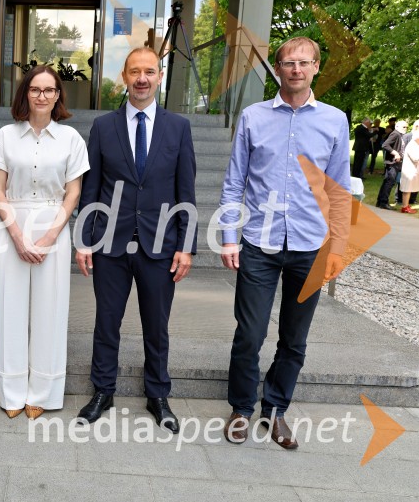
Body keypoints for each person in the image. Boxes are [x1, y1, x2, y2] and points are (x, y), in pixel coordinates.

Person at [218, 37, 351, 450]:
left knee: (294, 339)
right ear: (277, 69)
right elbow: (234, 182)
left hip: (310, 246)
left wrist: (339, 246)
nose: (296, 69)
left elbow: (340, 190)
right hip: (259, 243)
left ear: (316, 67)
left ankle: (275, 410)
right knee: (250, 333)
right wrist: (228, 237)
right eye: (288, 62)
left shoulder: (334, 120)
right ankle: (242, 409)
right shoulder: (253, 117)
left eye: (304, 62)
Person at [75, 46, 196, 432]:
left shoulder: (178, 128)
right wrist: (83, 239)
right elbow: (91, 188)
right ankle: (102, 391)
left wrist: (186, 245)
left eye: (149, 71)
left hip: (161, 244)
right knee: (106, 321)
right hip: (110, 242)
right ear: (124, 77)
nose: (142, 78)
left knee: (156, 325)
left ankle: (158, 394)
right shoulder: (103, 127)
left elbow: (186, 192)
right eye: (134, 72)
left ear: (159, 77)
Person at [0, 66, 89, 419]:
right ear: (25, 93)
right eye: (35, 89)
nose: (42, 96)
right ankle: (12, 392)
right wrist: (17, 235)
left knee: (50, 309)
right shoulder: (5, 136)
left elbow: (73, 193)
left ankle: (43, 391)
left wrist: (48, 237)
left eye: (49, 90)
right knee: (9, 308)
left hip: (53, 225)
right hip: (10, 223)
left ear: (58, 95)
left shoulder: (71, 139)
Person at [376, 120, 407, 209]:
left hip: (394, 162)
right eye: (403, 127)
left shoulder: (399, 135)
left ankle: (380, 201)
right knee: (390, 182)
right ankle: (384, 202)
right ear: (397, 127)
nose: (405, 128)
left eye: (406, 127)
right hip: (392, 162)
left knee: (387, 182)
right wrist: (395, 153)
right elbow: (385, 145)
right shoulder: (395, 134)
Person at [398, 121, 419, 214]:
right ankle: (404, 207)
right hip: (409, 171)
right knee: (407, 189)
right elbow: (415, 158)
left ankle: (406, 205)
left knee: (409, 189)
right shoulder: (412, 145)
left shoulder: (416, 145)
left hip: (413, 170)